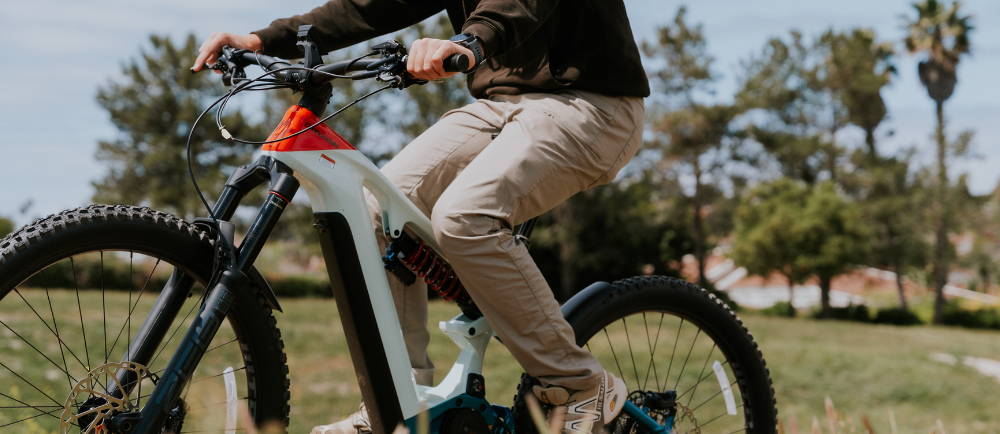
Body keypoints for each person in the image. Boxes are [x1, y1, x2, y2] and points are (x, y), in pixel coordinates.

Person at [193, 1, 648, 432]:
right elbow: (375, 7)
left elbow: (520, 5)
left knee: (465, 217)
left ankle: (579, 383)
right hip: (500, 105)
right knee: (375, 209)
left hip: (591, 105)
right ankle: (400, 401)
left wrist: (470, 42)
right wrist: (264, 39)